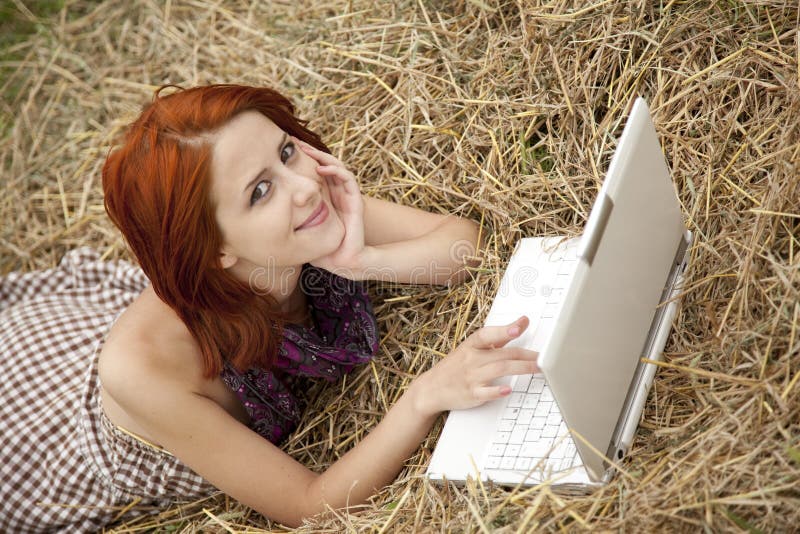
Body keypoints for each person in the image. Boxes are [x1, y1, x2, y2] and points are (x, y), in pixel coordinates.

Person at [0, 84, 536, 531]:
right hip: (30, 416)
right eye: (259, 192)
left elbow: (469, 249)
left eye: (285, 151)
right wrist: (423, 397)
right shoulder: (144, 370)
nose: (304, 186)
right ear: (213, 247)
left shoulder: (300, 207)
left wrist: (364, 259)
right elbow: (308, 505)